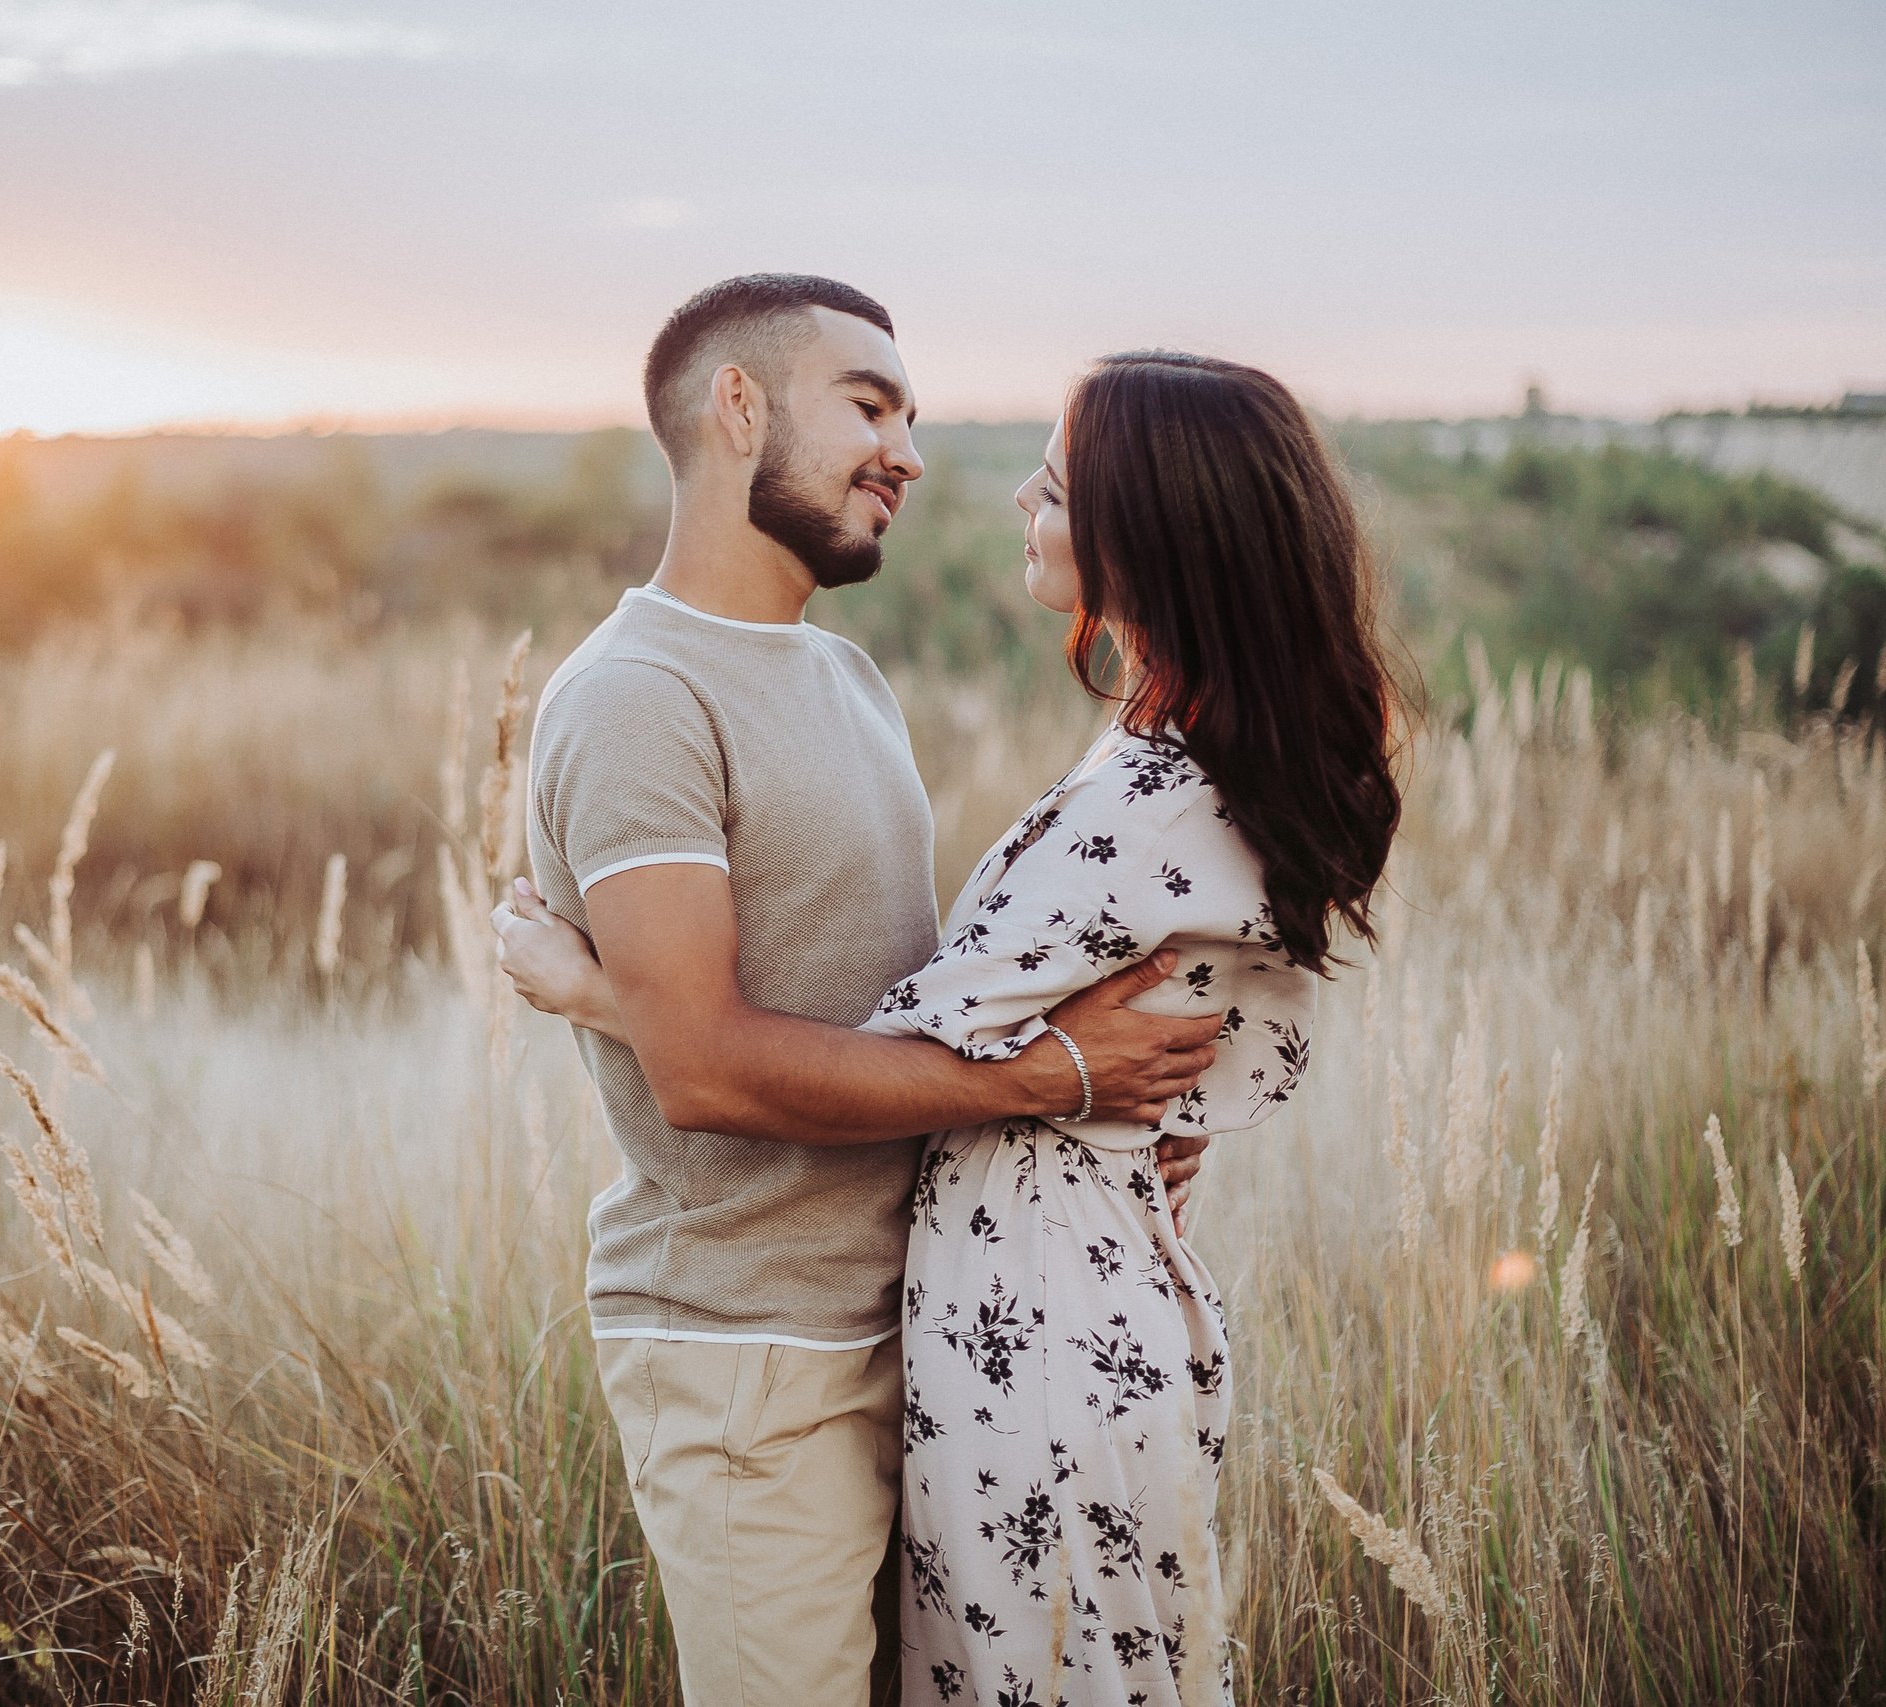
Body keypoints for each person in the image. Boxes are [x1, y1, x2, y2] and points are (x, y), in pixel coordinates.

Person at [503, 346, 1404, 1705]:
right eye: (870, 408)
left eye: (1050, 489)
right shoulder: (1150, 753)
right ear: (740, 407)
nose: (932, 469)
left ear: (1156, 530)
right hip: (896, 1325)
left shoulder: (1142, 791)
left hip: (1028, 1327)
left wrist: (598, 994)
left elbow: (946, 1044)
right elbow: (957, 1052)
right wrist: (1084, 1091)